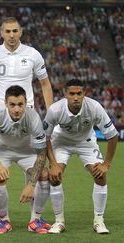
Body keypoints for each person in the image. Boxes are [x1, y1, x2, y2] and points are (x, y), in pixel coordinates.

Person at [44, 79, 118, 234]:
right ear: (65, 94)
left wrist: (107, 164)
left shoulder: (94, 107)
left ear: (85, 94)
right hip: (61, 142)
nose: (76, 97)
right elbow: (44, 138)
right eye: (72, 94)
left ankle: (99, 221)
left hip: (86, 141)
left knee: (100, 175)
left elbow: (112, 136)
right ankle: (59, 221)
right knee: (55, 176)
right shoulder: (55, 110)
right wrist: (54, 163)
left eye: (79, 93)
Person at [0, 85, 49, 234]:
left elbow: (41, 152)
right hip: (1, 149)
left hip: (26, 151)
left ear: (26, 103)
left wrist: (31, 185)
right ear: (6, 103)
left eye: (20, 104)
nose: (17, 109)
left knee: (44, 175)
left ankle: (35, 220)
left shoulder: (33, 118)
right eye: (12, 105)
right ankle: (3, 220)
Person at [0, 17, 53, 110]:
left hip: (26, 111)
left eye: (15, 31)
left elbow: (45, 84)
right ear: (2, 33)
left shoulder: (33, 54)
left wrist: (51, 113)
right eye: (8, 31)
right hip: (0, 111)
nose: (11, 35)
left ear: (20, 32)